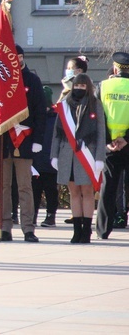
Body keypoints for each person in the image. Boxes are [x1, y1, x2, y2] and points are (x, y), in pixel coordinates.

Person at [0, 45, 47, 243]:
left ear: (21, 57)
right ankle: (4, 228)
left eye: (18, 56)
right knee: (2, 187)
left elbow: (40, 113)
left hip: (24, 139)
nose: (16, 60)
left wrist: (38, 140)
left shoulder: (32, 80)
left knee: (25, 187)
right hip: (2, 141)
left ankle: (28, 228)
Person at [51, 73, 105, 243]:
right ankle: (76, 230)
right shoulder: (65, 105)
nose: (79, 88)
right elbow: (57, 133)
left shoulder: (95, 104)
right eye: (77, 85)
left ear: (88, 87)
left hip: (88, 153)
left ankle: (87, 230)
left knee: (87, 191)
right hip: (68, 153)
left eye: (83, 86)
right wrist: (54, 155)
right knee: (74, 192)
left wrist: (99, 157)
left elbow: (101, 132)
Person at [96, 52, 129, 240]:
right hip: (127, 144)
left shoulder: (103, 86)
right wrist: (126, 139)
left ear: (115, 68)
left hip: (110, 147)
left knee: (108, 188)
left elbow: (95, 116)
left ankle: (102, 230)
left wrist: (108, 140)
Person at [32, 86, 59, 228]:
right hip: (36, 159)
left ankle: (51, 215)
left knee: (50, 190)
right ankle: (33, 215)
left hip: (50, 158)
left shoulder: (56, 117)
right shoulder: (34, 115)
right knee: (35, 189)